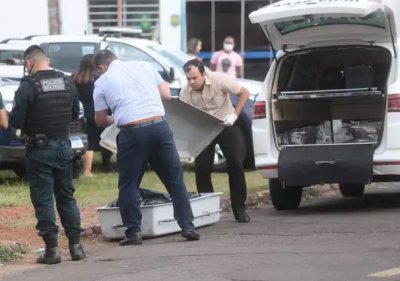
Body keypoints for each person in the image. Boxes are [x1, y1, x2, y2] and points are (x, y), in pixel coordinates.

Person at [93, 50, 200, 245]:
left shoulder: (102, 82)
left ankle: (133, 232)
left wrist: (116, 116)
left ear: (101, 67)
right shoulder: (145, 65)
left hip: (132, 133)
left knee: (129, 184)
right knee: (175, 180)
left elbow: (100, 120)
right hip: (159, 127)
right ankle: (188, 226)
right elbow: (166, 95)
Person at [9, 45, 86, 264]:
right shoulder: (67, 81)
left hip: (39, 149)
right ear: (47, 60)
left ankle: (52, 250)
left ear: (28, 63)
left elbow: (16, 121)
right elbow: (74, 114)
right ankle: (76, 247)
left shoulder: (28, 86)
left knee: (43, 199)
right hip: (63, 146)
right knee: (66, 197)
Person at [180, 59, 251, 223]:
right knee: (202, 167)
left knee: (235, 163)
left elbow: (244, 93)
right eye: (188, 79)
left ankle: (239, 209)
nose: (191, 82)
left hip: (226, 123)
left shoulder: (219, 79)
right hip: (204, 128)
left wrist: (234, 115)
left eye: (194, 78)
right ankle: (208, 211)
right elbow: (185, 116)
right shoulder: (186, 93)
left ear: (203, 73)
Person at [73, 54, 113, 177]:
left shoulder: (74, 78)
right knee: (105, 137)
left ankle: (83, 168)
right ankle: (105, 164)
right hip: (98, 111)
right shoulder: (98, 79)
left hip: (82, 113)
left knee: (87, 142)